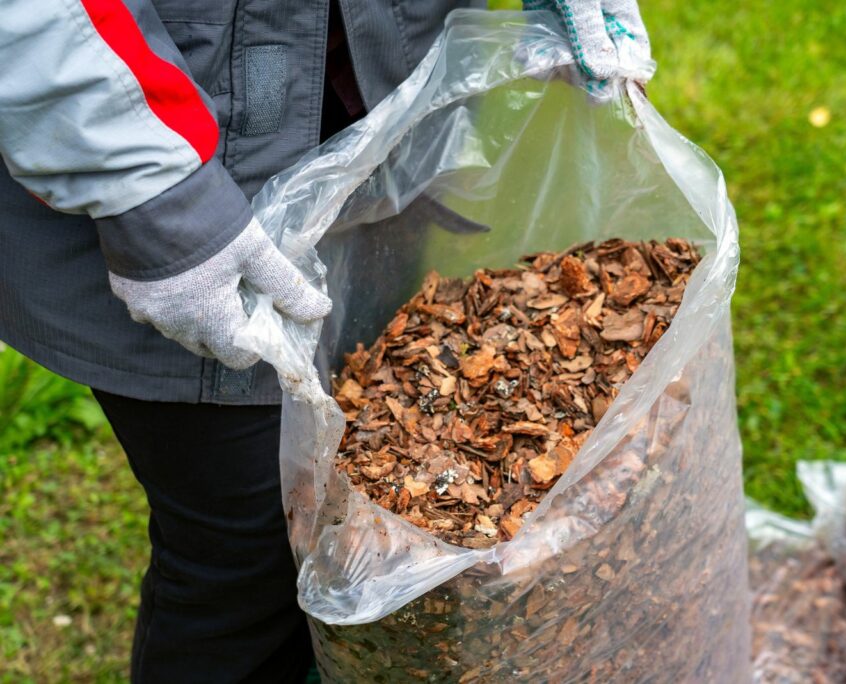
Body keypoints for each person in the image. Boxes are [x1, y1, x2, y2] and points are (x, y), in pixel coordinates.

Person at [0, 0, 650, 680]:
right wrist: (150, 189)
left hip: (379, 94)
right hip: (183, 133)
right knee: (252, 547)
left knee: (377, 480)